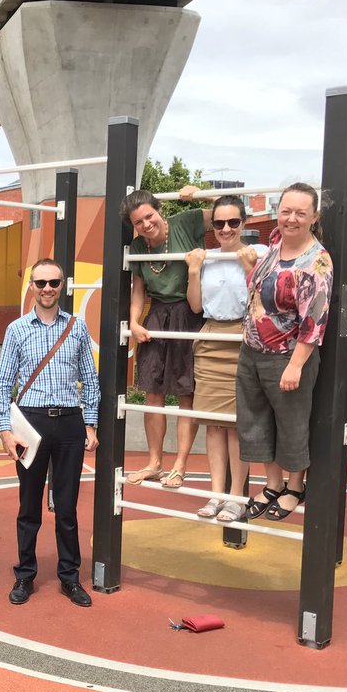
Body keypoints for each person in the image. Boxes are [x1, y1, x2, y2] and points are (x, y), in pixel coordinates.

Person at [0, 259, 99, 607]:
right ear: (32, 287)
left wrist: (90, 422)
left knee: (67, 507)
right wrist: (5, 431)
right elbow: (4, 384)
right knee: (29, 506)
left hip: (69, 422)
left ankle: (70, 577)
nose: (47, 289)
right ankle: (25, 575)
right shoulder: (17, 330)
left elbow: (90, 378)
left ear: (63, 285)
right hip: (31, 423)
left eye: (54, 282)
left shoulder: (78, 327)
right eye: (40, 283)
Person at [236, 183, 334, 521]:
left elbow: (315, 319)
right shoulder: (275, 245)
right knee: (254, 420)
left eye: (300, 213)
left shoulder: (317, 261)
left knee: (291, 423)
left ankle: (295, 487)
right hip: (252, 351)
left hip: (287, 356)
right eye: (285, 211)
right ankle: (272, 483)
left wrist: (295, 366)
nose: (291, 219)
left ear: (314, 217)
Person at [123, 185, 214, 490]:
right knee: (152, 394)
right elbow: (138, 289)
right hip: (157, 315)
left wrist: (200, 193)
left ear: (159, 210)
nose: (146, 225)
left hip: (189, 312)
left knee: (186, 394)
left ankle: (180, 465)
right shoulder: (137, 247)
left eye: (149, 216)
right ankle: (154, 462)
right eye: (138, 222)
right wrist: (134, 322)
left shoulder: (186, 222)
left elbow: (229, 213)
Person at [183, 196, 267, 523]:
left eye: (233, 222)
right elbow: (194, 306)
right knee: (213, 423)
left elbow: (264, 301)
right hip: (211, 336)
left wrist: (249, 269)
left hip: (242, 335)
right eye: (219, 223)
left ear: (244, 223)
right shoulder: (206, 258)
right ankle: (217, 492)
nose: (226, 229)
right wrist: (192, 270)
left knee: (236, 423)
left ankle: (236, 496)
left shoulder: (257, 254)